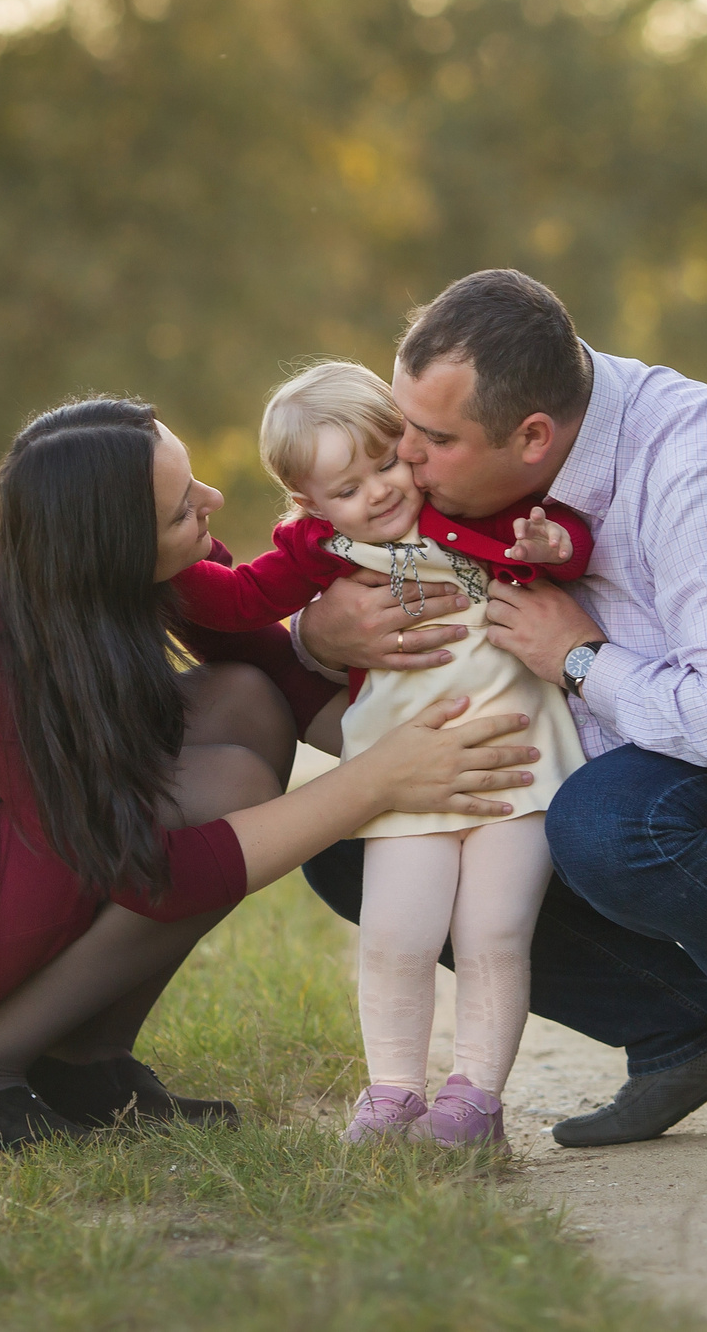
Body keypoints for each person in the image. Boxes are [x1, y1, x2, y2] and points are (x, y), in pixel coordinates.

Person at [0, 397, 542, 1174]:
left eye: (192, 482)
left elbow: (272, 671)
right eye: (182, 509)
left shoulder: (92, 555)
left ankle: (86, 1064)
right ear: (112, 542)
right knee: (225, 784)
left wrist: (460, 739)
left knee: (243, 701)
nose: (210, 501)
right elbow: (148, 870)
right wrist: (378, 779)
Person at [295, 270, 707, 1151]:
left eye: (432, 438)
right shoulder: (487, 479)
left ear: (533, 437)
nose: (404, 459)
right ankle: (686, 1026)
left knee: (606, 819)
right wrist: (318, 632)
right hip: (655, 760)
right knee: (353, 834)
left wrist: (576, 657)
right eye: (402, 427)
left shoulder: (704, 466)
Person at [171, 361, 588, 1149]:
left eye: (386, 461)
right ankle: (393, 1091)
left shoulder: (472, 505)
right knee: (397, 932)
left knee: (494, 931)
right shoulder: (319, 550)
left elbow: (563, 547)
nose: (379, 492)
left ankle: (474, 1101)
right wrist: (147, 566)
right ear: (310, 504)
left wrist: (555, 542)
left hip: (517, 758)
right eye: (348, 487)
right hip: (401, 770)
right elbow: (237, 599)